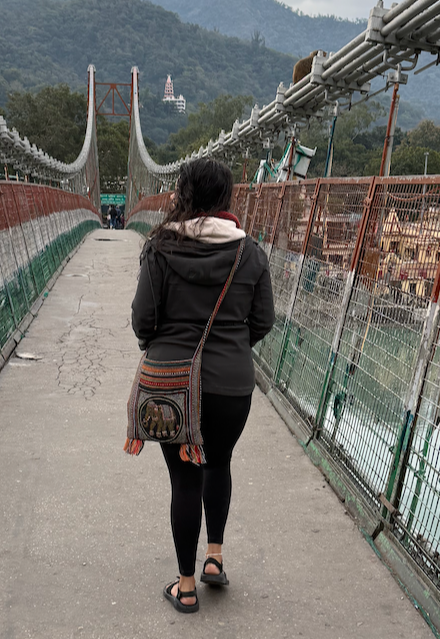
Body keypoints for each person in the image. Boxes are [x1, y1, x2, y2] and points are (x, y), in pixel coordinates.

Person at [130, 158, 275, 614]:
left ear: (184, 195)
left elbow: (143, 321)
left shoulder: (159, 248)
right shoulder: (251, 252)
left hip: (172, 386)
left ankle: (187, 586)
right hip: (231, 388)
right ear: (226, 198)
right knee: (219, 463)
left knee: (184, 479)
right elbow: (263, 321)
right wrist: (231, 350)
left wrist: (162, 347)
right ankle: (214, 558)